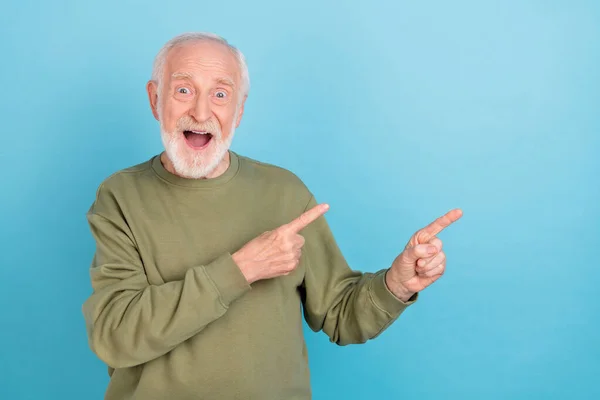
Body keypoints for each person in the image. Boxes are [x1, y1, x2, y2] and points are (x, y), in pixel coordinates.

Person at [82, 32, 463, 400]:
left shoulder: (285, 193)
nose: (200, 111)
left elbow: (341, 315)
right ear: (155, 99)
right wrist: (241, 269)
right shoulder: (120, 196)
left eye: (220, 94)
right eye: (183, 90)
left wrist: (397, 284)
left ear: (239, 111)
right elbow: (115, 336)